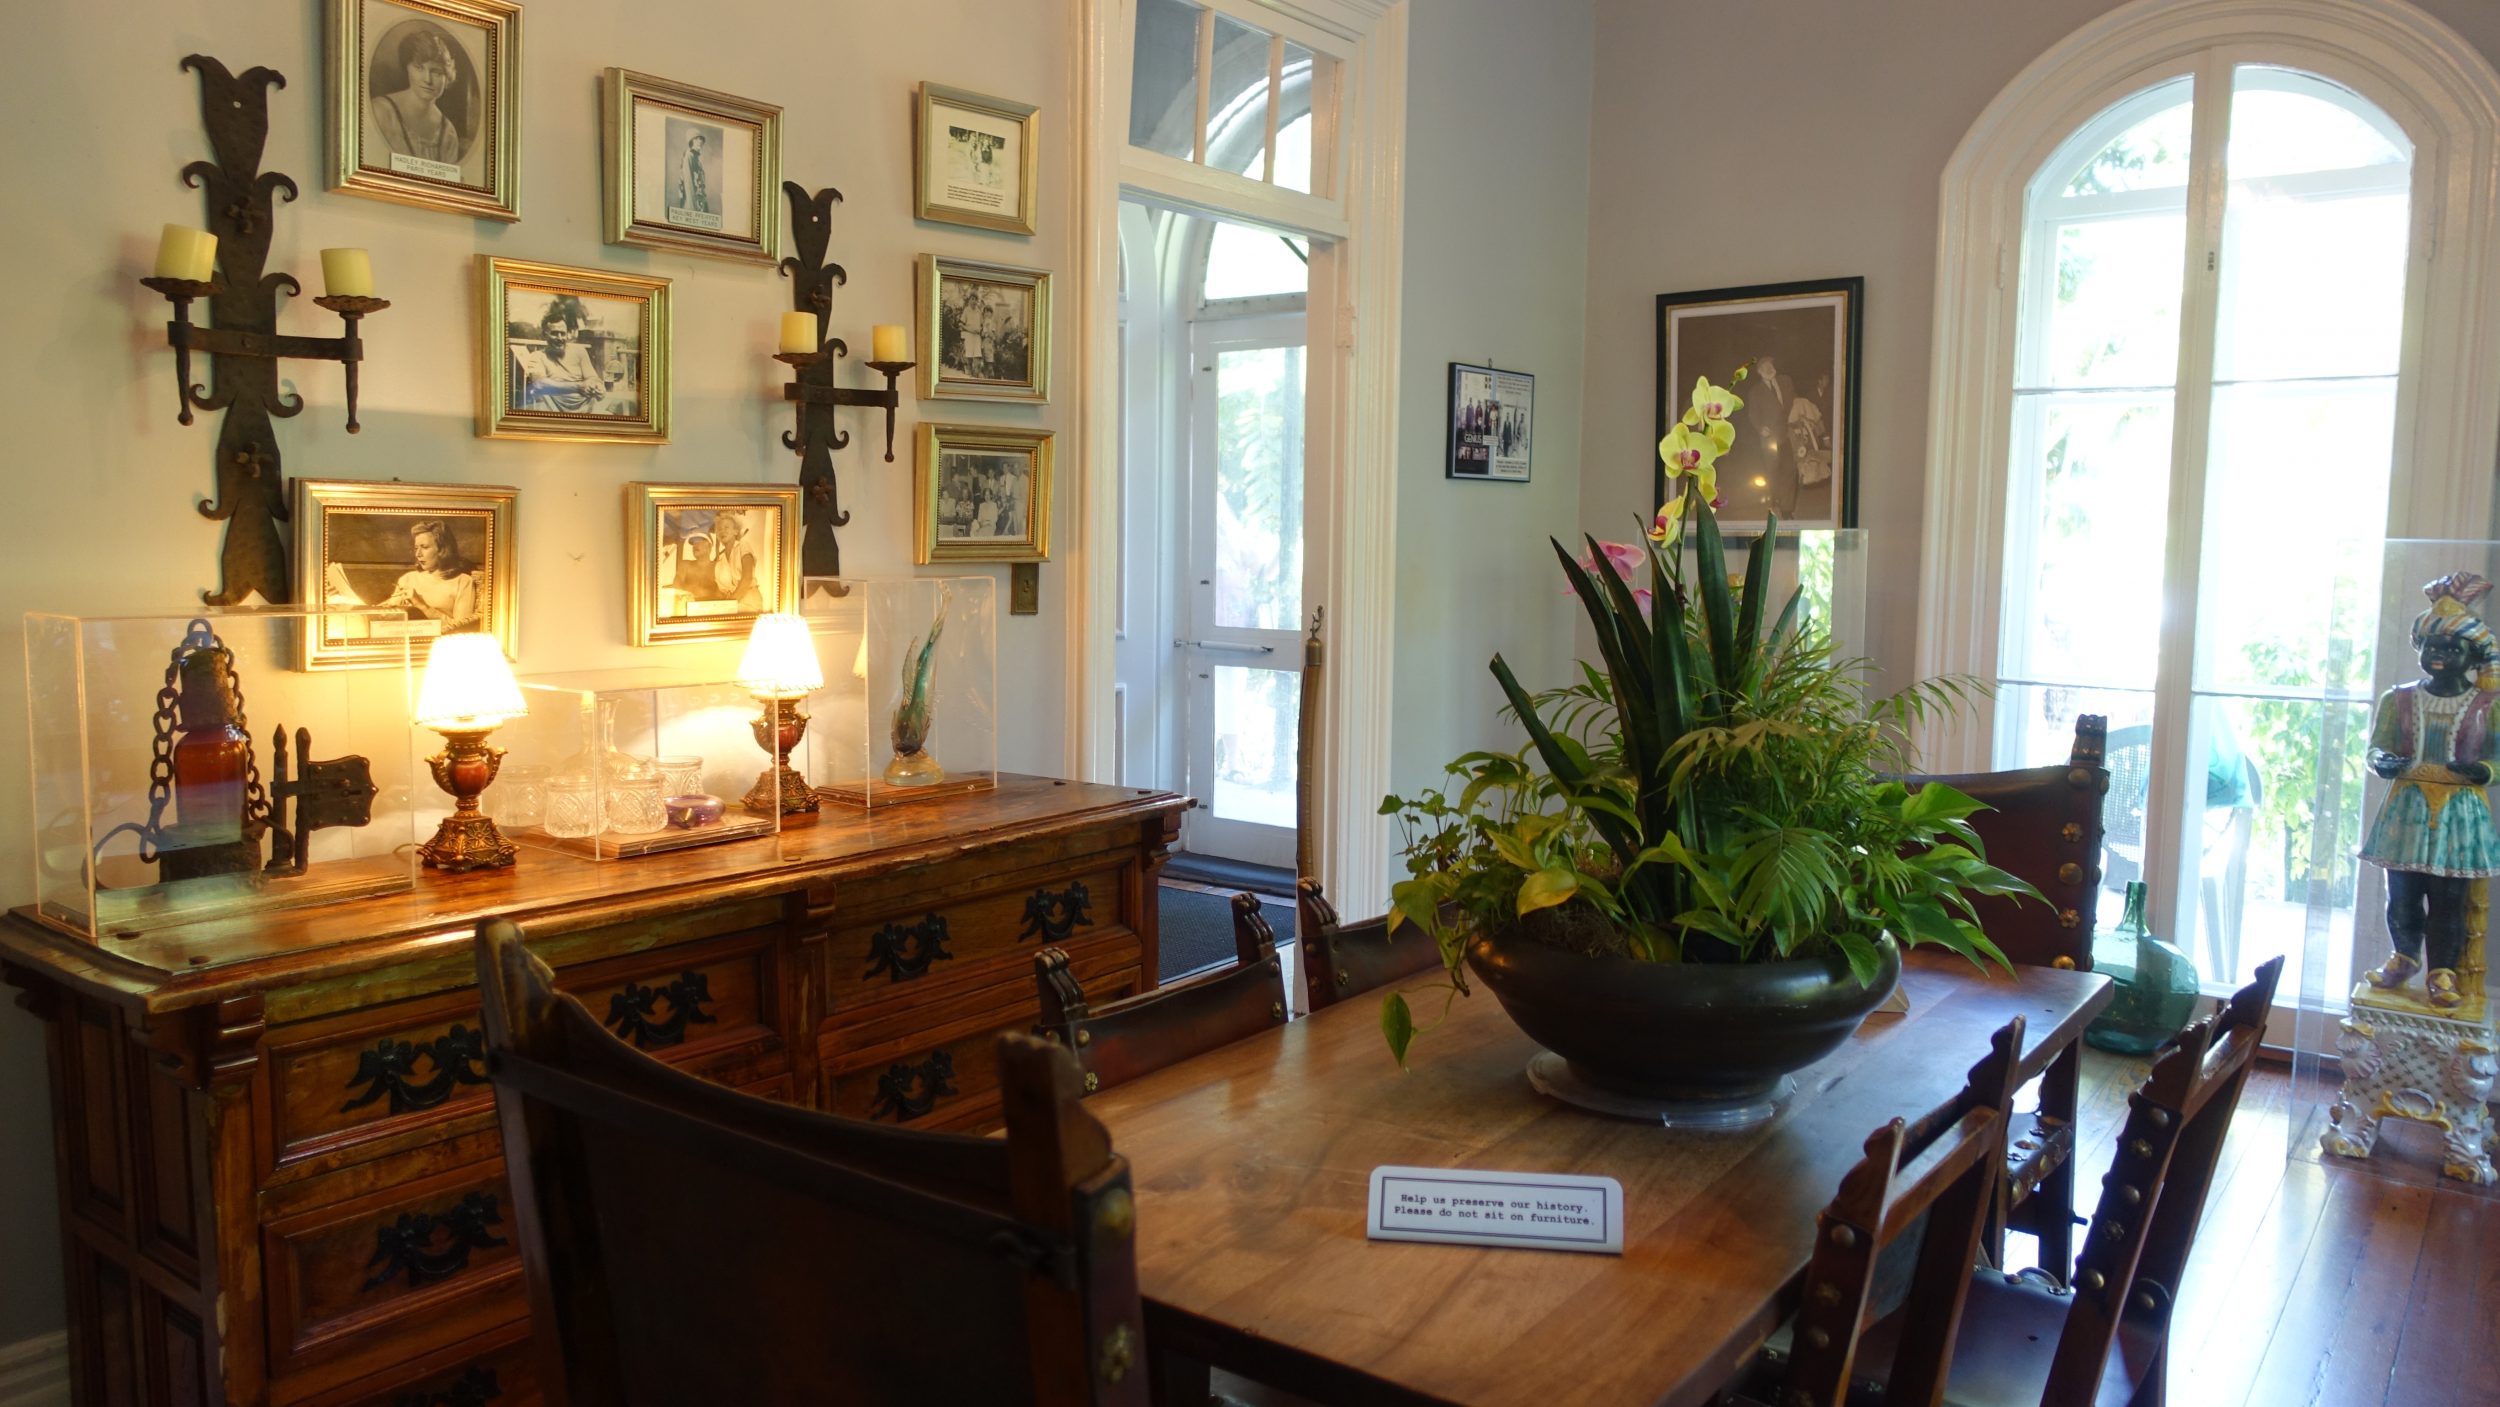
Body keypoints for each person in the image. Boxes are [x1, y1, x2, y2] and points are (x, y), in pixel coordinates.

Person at [2359, 572, 2500, 1009]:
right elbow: (2377, 747)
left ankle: (2442, 972)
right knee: (2401, 894)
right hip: (2407, 807)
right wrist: (2382, 761)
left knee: (2448, 900)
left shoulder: (2488, 704)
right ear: (2419, 647)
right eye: (2432, 647)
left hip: (2459, 811)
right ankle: (2404, 956)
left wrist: (2483, 770)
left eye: (2452, 648)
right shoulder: (2398, 699)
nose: (2440, 655)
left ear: (2473, 655)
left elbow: (2497, 758)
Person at [325, 519, 480, 633]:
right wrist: (340, 599)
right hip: (402, 642)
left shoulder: (462, 581)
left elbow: (462, 630)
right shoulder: (408, 579)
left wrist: (422, 606)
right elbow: (382, 616)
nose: (418, 554)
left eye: (424, 547)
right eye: (416, 548)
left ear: (442, 549)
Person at [369, 27, 465, 167]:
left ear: (448, 78)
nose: (427, 79)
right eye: (419, 68)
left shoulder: (447, 133)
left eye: (436, 72)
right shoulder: (381, 112)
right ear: (407, 68)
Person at [511, 300, 607, 414]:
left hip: (587, 407)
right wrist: (578, 386)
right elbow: (540, 384)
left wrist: (597, 386)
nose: (560, 338)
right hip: (554, 410)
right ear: (544, 335)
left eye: (563, 333)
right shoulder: (537, 357)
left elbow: (591, 376)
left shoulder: (579, 352)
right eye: (554, 333)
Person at [674, 130, 711, 215]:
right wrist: (693, 207)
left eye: (701, 139)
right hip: (692, 202)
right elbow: (688, 183)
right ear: (691, 141)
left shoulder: (696, 158)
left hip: (700, 200)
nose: (700, 141)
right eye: (697, 139)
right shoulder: (689, 156)